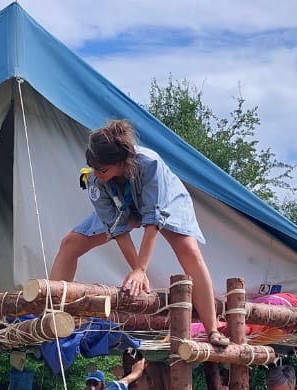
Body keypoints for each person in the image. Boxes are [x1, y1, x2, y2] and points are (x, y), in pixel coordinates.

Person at [52, 119, 226, 345]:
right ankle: (52, 314)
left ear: (120, 162)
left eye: (102, 169)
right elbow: (117, 229)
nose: (96, 173)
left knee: (189, 251)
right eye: (92, 167)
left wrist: (141, 268)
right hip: (124, 206)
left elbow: (153, 221)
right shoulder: (96, 180)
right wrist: (137, 271)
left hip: (166, 201)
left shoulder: (150, 163)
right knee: (70, 243)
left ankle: (212, 329)